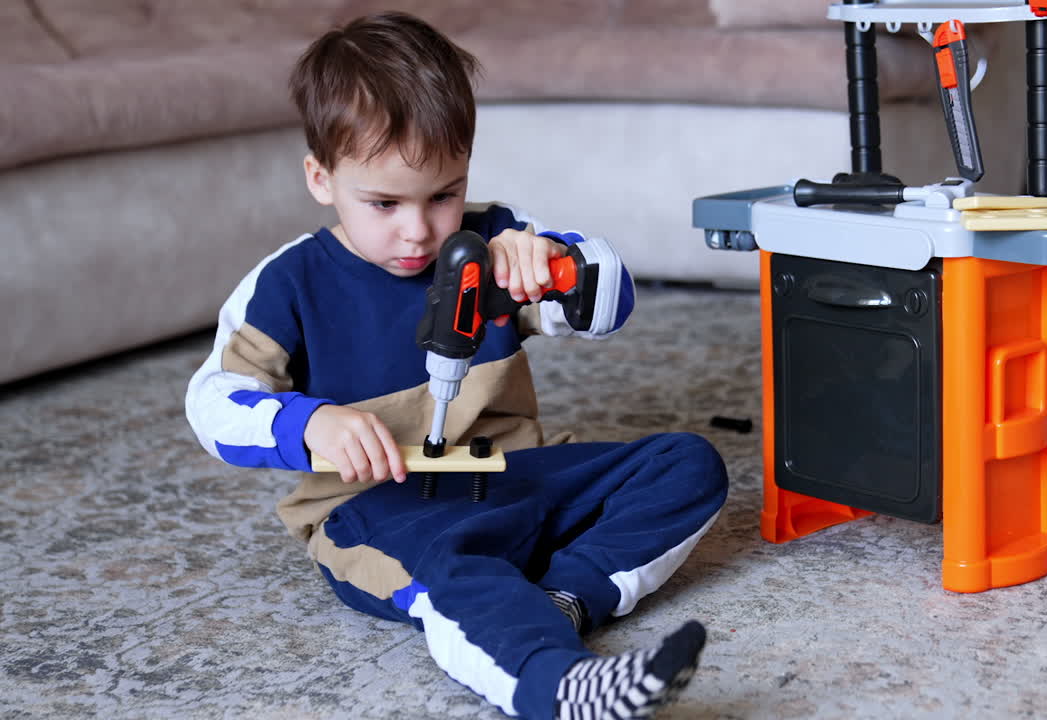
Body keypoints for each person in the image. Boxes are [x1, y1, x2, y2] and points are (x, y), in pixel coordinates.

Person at [183, 11, 728, 720]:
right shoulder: (289, 284)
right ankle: (555, 685)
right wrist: (309, 424)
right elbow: (213, 399)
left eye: (443, 194)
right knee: (454, 567)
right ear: (322, 178)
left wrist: (556, 265)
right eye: (383, 202)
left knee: (687, 466)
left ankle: (564, 599)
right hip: (380, 506)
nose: (418, 230)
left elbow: (607, 303)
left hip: (512, 474)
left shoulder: (494, 237)